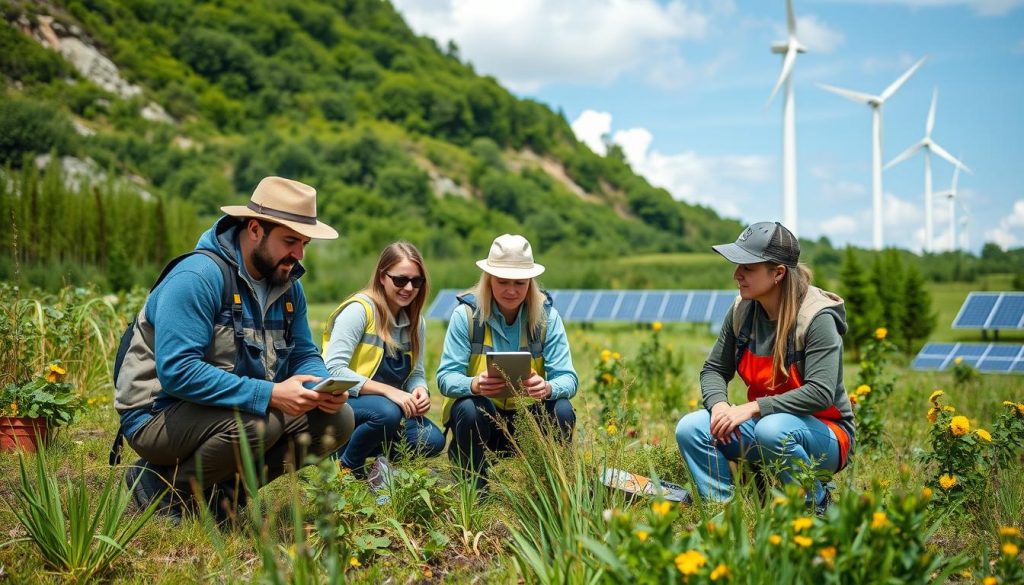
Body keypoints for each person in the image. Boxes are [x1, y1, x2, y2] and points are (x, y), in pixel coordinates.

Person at [114, 176, 355, 522]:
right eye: (290, 241)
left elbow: (303, 352)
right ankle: (158, 486)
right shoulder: (197, 278)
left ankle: (224, 494)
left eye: (304, 243)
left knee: (337, 419)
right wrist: (270, 393)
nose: (299, 255)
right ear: (255, 229)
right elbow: (177, 372)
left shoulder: (287, 285)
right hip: (157, 414)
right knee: (261, 424)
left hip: (231, 406)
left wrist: (320, 386)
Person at [674, 221, 854, 509]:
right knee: (692, 427)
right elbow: (714, 370)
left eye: (748, 267)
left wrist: (752, 407)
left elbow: (821, 393)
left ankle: (815, 505)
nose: (737, 275)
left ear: (778, 273)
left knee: (772, 430)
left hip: (826, 433)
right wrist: (719, 405)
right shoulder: (742, 311)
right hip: (766, 424)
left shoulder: (817, 318)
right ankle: (724, 511)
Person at [437, 234, 578, 488]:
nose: (511, 290)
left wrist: (547, 388)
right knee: (469, 407)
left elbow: (568, 378)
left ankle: (551, 486)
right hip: (482, 422)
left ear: (530, 282)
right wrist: (474, 385)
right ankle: (473, 487)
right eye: (502, 282)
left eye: (520, 283)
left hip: (528, 424)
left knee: (563, 410)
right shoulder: (466, 316)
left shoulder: (547, 318)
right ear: (488, 280)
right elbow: (445, 378)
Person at [322, 242, 445, 488]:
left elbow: (416, 373)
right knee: (386, 412)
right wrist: (391, 392)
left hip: (388, 410)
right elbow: (332, 370)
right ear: (382, 276)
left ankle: (368, 457)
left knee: (433, 440)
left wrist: (420, 390)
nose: (408, 288)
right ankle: (347, 467)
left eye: (416, 281)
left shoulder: (415, 321)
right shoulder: (359, 311)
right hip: (344, 403)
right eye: (400, 280)